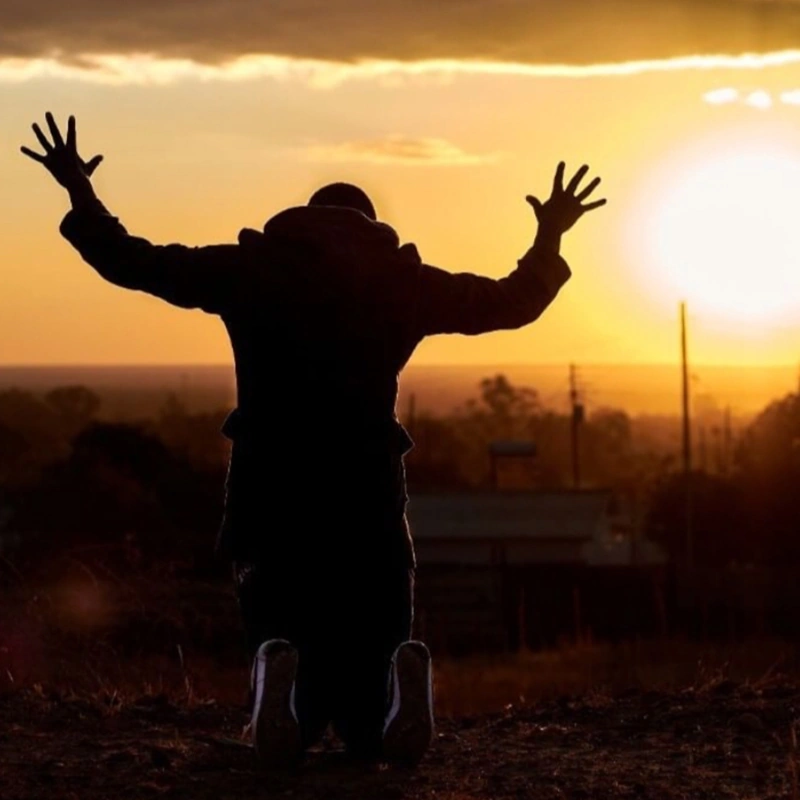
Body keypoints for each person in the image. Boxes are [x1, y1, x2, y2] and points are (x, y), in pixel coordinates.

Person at [21, 112, 606, 768]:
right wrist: (549, 235)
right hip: (367, 479)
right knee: (375, 624)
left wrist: (80, 192)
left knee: (277, 613)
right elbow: (510, 303)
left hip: (271, 479)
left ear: (302, 217)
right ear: (370, 225)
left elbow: (137, 263)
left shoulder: (251, 271)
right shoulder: (401, 283)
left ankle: (278, 686)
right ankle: (390, 694)